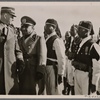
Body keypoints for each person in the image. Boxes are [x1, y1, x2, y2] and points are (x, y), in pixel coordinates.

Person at [18, 16, 47, 95]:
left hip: (33, 71)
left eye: (26, 26)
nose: (23, 29)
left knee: (33, 92)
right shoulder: (19, 40)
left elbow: (42, 56)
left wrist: (40, 71)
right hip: (23, 70)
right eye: (22, 26)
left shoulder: (39, 39)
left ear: (33, 27)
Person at [0, 7, 24, 94]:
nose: (13, 19)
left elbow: (17, 50)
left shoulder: (13, 30)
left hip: (10, 70)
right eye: (12, 16)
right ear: (5, 15)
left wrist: (20, 61)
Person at [72, 21, 100, 95]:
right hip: (78, 73)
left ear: (87, 31)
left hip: (86, 76)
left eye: (81, 28)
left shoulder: (93, 45)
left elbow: (97, 66)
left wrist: (94, 82)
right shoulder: (79, 43)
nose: (78, 30)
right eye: (78, 28)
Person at [44, 19, 65, 95]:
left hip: (53, 68)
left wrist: (60, 73)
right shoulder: (48, 38)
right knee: (49, 90)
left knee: (54, 91)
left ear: (53, 27)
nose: (44, 27)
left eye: (47, 26)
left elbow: (61, 58)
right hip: (47, 67)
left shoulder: (56, 40)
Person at [63, 25, 81, 95]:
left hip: (73, 62)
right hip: (68, 61)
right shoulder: (69, 39)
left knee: (72, 81)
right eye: (70, 29)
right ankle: (66, 92)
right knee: (67, 78)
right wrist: (67, 53)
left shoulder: (79, 39)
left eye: (72, 30)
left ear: (76, 31)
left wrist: (72, 54)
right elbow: (66, 49)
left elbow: (78, 52)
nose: (71, 31)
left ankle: (73, 94)